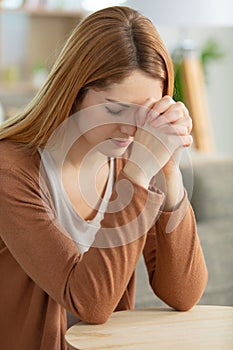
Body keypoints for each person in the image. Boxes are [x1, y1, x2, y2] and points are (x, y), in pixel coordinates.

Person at [0, 6, 208, 350]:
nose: (132, 127)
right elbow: (88, 302)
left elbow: (182, 294)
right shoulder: (11, 170)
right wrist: (139, 173)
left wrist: (169, 173)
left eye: (146, 111)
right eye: (113, 109)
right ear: (74, 92)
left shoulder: (134, 156)